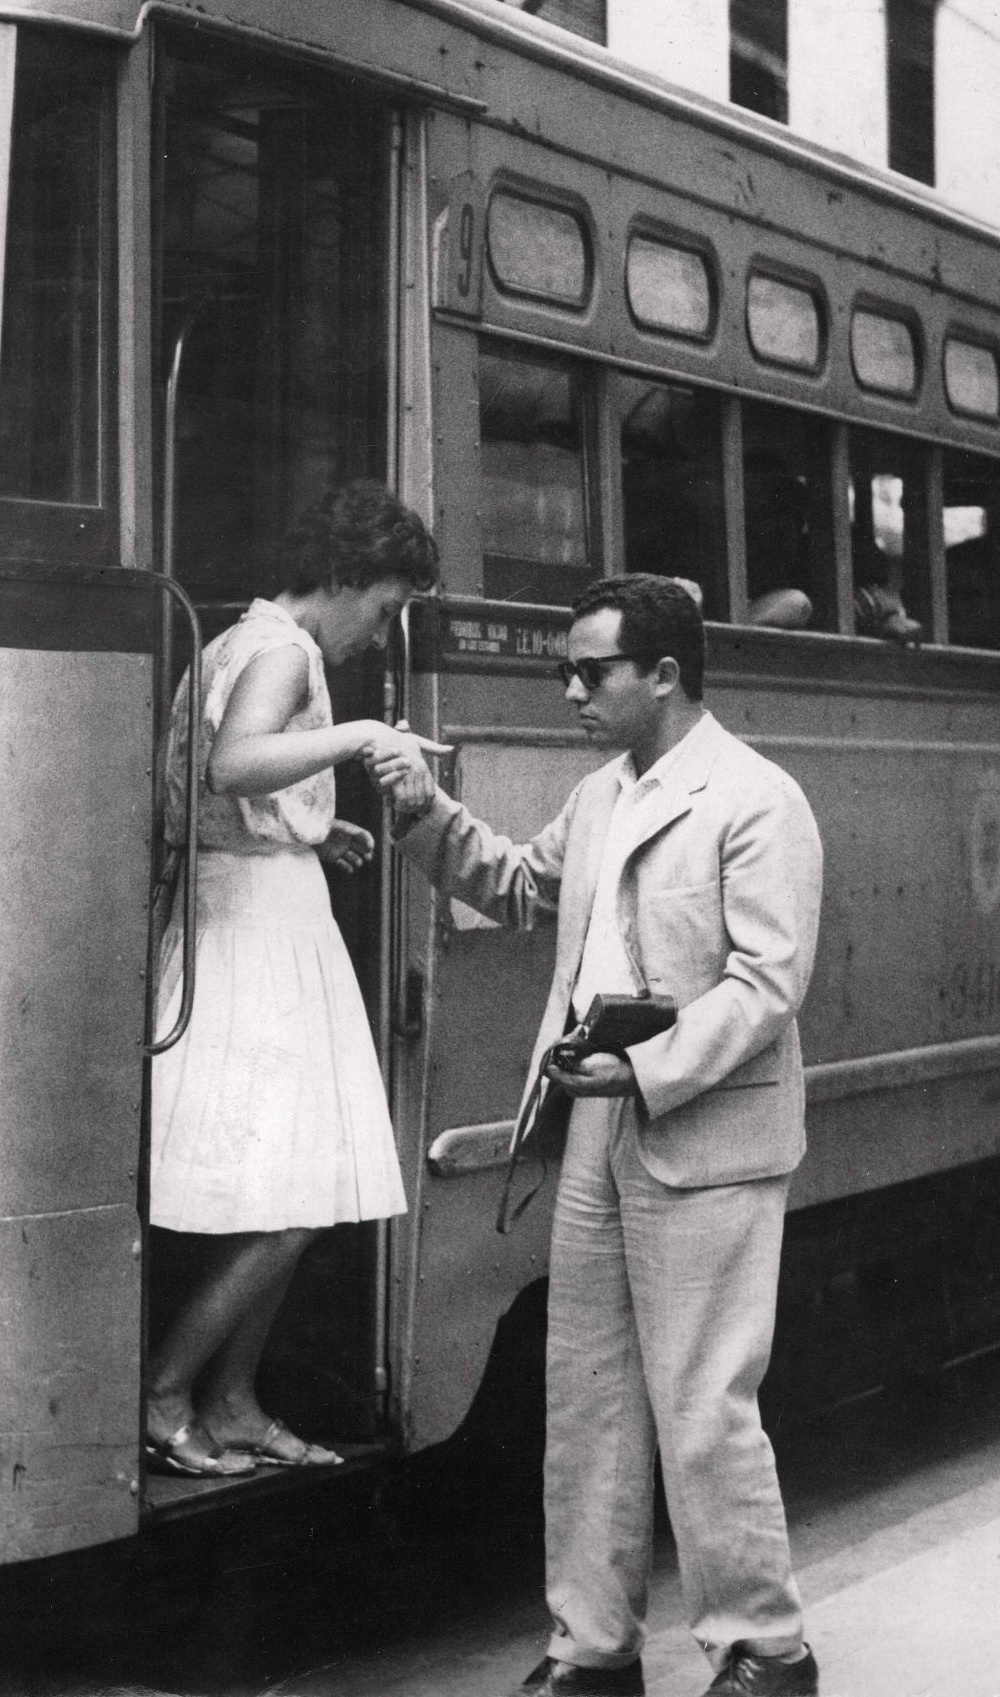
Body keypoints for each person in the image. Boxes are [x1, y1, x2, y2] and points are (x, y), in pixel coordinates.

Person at [394, 574, 823, 1697]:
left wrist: (643, 1065)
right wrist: (417, 810)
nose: (569, 689)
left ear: (665, 674)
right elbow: (514, 885)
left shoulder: (755, 799)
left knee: (703, 1404)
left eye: (591, 670)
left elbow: (766, 983)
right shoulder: (599, 798)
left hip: (702, 1134)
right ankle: (592, 1651)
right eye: (568, 670)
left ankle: (762, 1652)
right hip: (598, 1133)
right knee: (587, 1402)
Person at [143, 481, 441, 1479]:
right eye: (388, 604)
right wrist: (357, 742)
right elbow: (235, 763)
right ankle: (169, 1392)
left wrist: (311, 821)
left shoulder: (234, 640)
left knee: (293, 1191)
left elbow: (216, 792)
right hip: (260, 941)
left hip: (244, 910)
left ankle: (229, 1399)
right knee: (289, 1201)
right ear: (350, 576)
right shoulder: (286, 650)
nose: (382, 629)